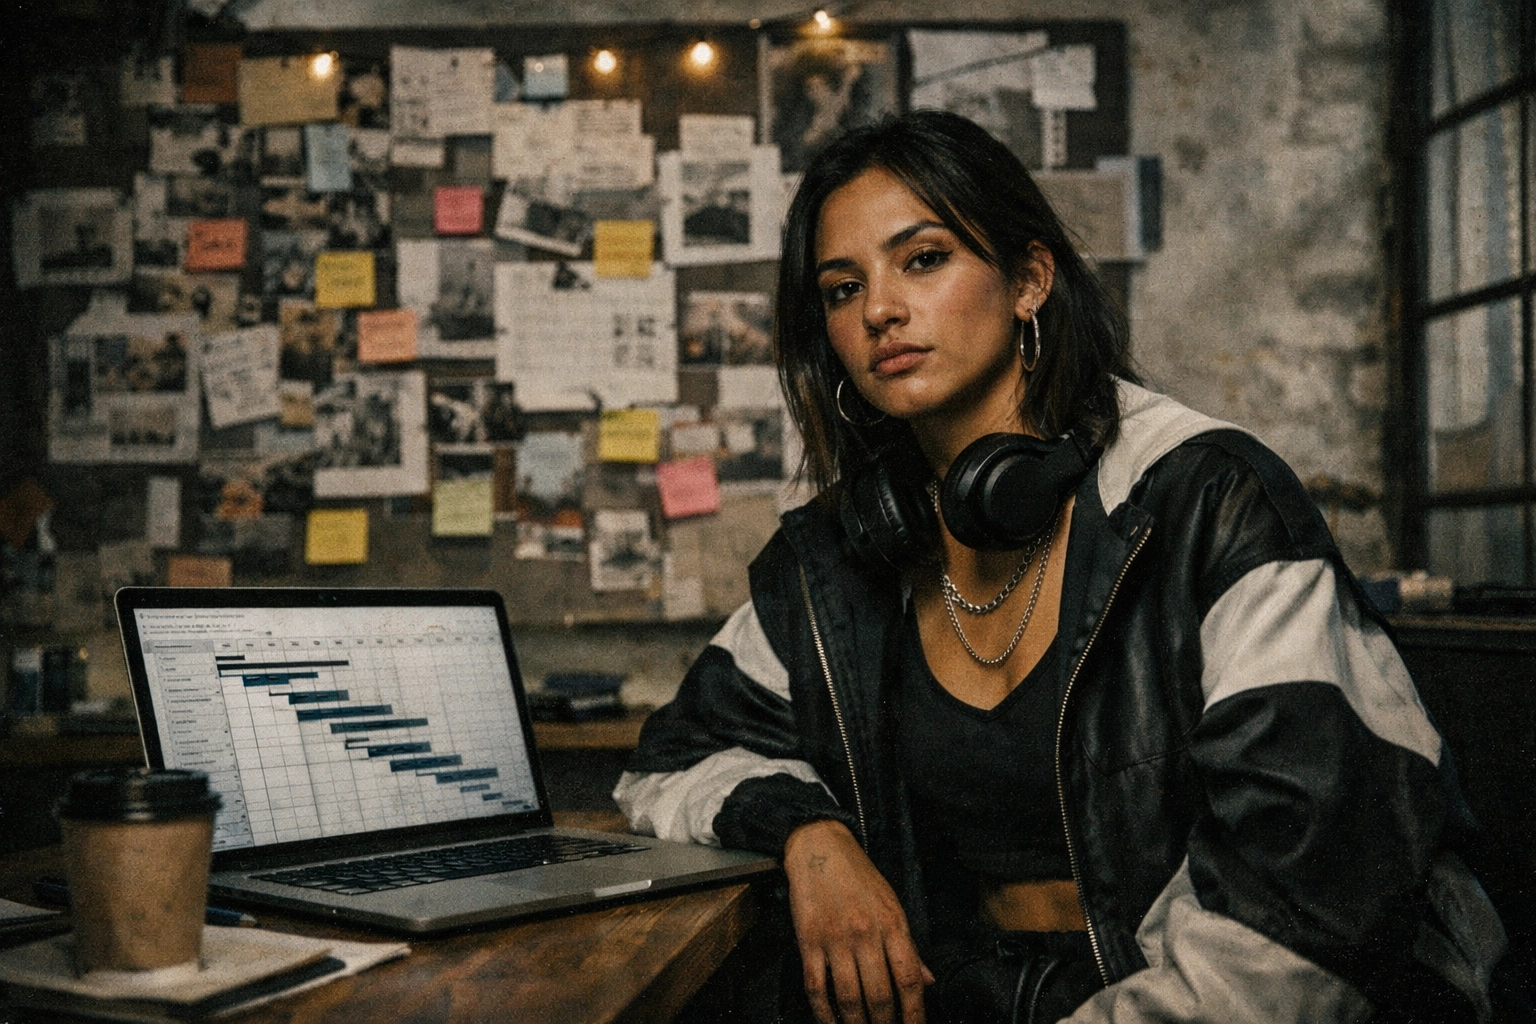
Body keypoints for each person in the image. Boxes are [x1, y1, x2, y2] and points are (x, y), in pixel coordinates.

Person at [614, 111, 1510, 1024]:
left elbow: (1312, 891)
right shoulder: (840, 557)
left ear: (1029, 280)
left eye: (923, 259)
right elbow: (672, 762)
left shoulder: (1209, 502)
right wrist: (812, 837)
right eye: (843, 289)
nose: (878, 309)